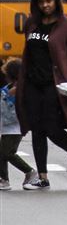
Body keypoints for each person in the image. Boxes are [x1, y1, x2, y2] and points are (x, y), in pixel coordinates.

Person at [15, 0, 67, 190]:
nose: (45, 5)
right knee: (37, 129)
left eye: (49, 1)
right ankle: (42, 177)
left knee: (52, 128)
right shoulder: (31, 23)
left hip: (54, 85)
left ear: (56, 1)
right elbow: (29, 53)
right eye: (41, 2)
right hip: (31, 83)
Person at [1, 58, 35, 189]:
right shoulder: (9, 88)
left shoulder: (22, 89)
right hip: (7, 127)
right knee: (2, 152)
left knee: (8, 152)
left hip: (16, 127)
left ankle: (30, 172)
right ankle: (3, 179)